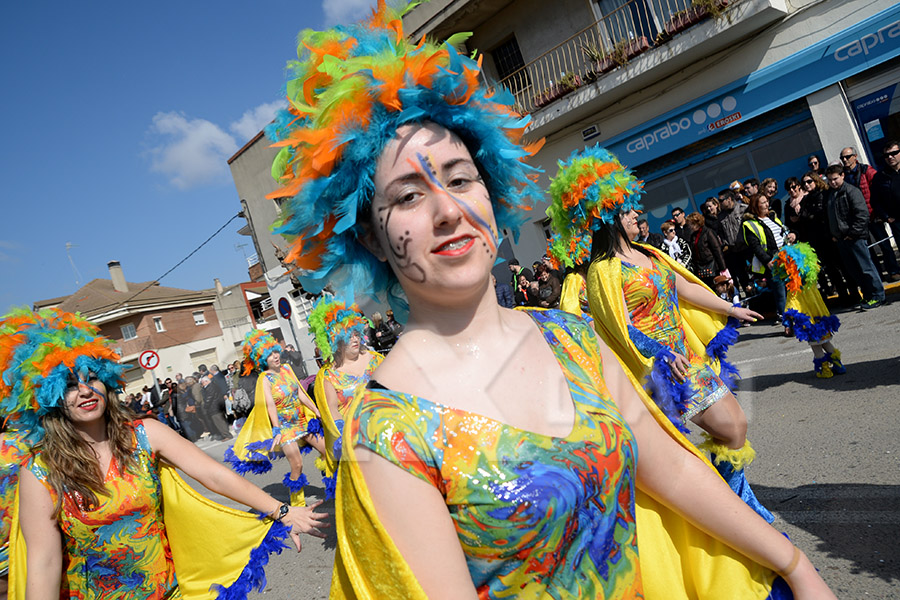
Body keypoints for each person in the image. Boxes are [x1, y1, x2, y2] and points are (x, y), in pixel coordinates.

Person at [264, 11, 834, 596]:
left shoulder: (569, 338)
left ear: (491, 192)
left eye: (460, 180)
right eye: (408, 196)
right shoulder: (386, 431)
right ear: (369, 238)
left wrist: (797, 566)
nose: (447, 210)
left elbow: (677, 471)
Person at [3, 308, 327, 599]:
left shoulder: (144, 435)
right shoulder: (42, 471)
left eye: (92, 378)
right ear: (49, 396)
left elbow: (214, 474)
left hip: (169, 592)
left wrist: (281, 512)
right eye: (71, 384)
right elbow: (43, 564)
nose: (86, 390)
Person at [551, 147, 772, 524]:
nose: (636, 213)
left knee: (734, 425)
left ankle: (732, 504)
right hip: (657, 372)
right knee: (692, 449)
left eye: (632, 207)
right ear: (607, 218)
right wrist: (661, 355)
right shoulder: (603, 271)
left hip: (689, 360)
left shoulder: (649, 254)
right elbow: (619, 329)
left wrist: (728, 307)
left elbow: (684, 289)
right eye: (625, 210)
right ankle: (732, 513)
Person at [227, 330, 326, 508]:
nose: (275, 356)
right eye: (270, 355)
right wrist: (276, 429)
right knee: (297, 464)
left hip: (302, 420)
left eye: (275, 352)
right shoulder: (265, 379)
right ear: (263, 359)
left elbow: (300, 394)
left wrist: (315, 410)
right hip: (285, 427)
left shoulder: (287, 369)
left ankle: (332, 486)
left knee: (327, 450)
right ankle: (298, 505)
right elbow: (270, 405)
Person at [307, 296, 383, 499]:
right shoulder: (329, 374)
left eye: (356, 333)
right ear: (335, 340)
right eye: (349, 336)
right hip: (356, 439)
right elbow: (331, 407)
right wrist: (341, 432)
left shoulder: (376, 360)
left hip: (384, 431)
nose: (355, 339)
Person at [771, 244, 846, 378]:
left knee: (816, 346)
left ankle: (824, 370)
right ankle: (838, 365)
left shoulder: (794, 289)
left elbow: (791, 307)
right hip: (821, 319)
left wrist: (787, 322)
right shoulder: (810, 284)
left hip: (809, 322)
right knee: (826, 342)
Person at [825, 164, 886, 309]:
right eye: (830, 180)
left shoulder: (851, 191)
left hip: (855, 238)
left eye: (835, 179)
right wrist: (834, 235)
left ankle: (878, 295)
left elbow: (862, 214)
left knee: (866, 268)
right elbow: (830, 217)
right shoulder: (831, 195)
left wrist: (852, 234)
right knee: (855, 271)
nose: (833, 182)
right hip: (841, 240)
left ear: (842, 176)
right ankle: (868, 296)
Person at [841, 145, 900, 281]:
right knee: (867, 249)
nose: (845, 160)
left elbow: (878, 192)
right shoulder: (843, 176)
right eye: (842, 158)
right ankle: (877, 275)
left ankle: (893, 270)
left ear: (855, 157)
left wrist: (881, 213)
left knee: (884, 245)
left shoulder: (866, 170)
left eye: (847, 157)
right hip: (857, 219)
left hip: (873, 215)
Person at [742, 193, 796, 326]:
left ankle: (798, 319)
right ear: (756, 206)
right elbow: (755, 246)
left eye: (767, 201)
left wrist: (792, 235)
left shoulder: (773, 217)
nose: (767, 204)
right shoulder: (749, 224)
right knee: (780, 293)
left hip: (786, 256)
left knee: (792, 290)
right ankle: (788, 324)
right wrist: (767, 260)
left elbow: (782, 232)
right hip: (773, 260)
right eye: (763, 202)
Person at [871, 139, 900, 267]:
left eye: (894, 153)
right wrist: (887, 217)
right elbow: (875, 201)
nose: (890, 157)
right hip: (897, 222)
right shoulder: (880, 177)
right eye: (887, 155)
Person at [685, 212, 728, 289]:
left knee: (716, 286)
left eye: (691, 224)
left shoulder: (708, 232)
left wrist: (723, 268)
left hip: (711, 264)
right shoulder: (693, 235)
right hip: (700, 266)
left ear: (697, 223)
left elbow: (717, 250)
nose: (689, 227)